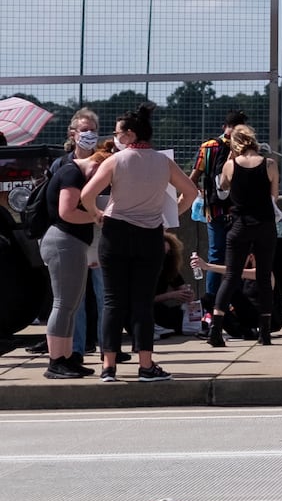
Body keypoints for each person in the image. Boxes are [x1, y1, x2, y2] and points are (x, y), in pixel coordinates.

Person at [80, 102, 199, 383]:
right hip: (150, 234)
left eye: (119, 132)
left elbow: (86, 194)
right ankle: (146, 364)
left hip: (116, 231)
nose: (115, 136)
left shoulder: (114, 161)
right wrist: (169, 215)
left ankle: (108, 366)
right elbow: (191, 193)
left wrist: (98, 214)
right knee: (142, 302)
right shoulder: (163, 162)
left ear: (131, 135)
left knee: (112, 301)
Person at [208, 124, 279, 348]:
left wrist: (231, 159)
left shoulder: (231, 165)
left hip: (239, 225)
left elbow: (223, 188)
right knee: (264, 276)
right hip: (265, 225)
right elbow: (273, 196)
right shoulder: (270, 164)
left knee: (230, 276)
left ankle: (215, 329)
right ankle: (264, 332)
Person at [37, 134, 99, 378]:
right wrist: (98, 216)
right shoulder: (72, 173)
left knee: (71, 304)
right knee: (63, 303)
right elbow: (67, 212)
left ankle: (66, 356)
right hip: (64, 242)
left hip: (69, 243)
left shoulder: (73, 172)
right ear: (95, 165)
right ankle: (56, 361)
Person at [190, 110, 248, 298]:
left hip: (213, 210)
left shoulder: (208, 146)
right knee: (239, 257)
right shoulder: (246, 146)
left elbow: (194, 177)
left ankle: (211, 302)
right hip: (239, 211)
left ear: (224, 127)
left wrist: (198, 195)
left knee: (215, 255)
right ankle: (235, 301)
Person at [193, 251, 282, 339]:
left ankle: (251, 331)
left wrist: (207, 266)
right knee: (208, 299)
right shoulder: (239, 278)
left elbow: (235, 272)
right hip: (244, 321)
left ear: (251, 257)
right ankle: (215, 327)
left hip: (265, 319)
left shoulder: (266, 273)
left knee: (233, 288)